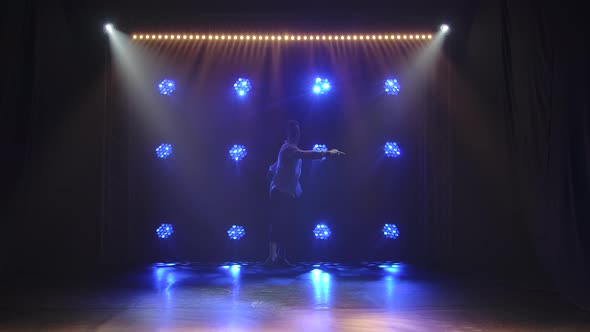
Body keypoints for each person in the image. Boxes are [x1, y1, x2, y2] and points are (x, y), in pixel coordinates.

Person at [265, 120, 345, 266]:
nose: (296, 134)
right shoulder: (289, 149)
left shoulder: (289, 149)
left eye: (298, 132)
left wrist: (272, 174)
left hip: (287, 193)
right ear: (288, 134)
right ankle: (272, 257)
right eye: (293, 132)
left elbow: (274, 167)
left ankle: (281, 257)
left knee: (286, 225)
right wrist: (327, 152)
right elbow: (306, 154)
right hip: (279, 193)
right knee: (277, 224)